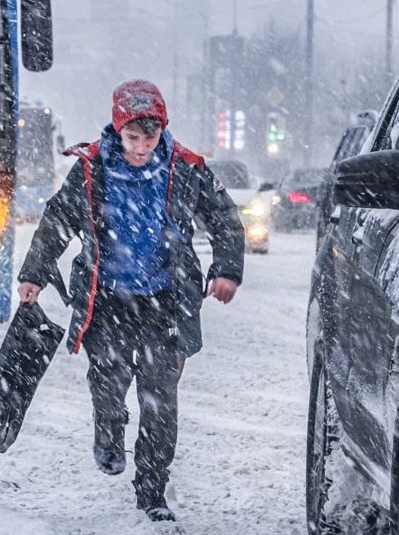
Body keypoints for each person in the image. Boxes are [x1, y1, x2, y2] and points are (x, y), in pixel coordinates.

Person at [16, 79, 244, 524]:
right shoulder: (90, 170)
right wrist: (34, 276)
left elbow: (225, 217)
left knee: (160, 400)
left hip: (165, 302)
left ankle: (152, 491)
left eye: (150, 137)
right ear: (117, 130)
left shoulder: (186, 168)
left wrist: (226, 270)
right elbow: (56, 223)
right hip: (108, 303)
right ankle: (108, 427)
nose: (141, 148)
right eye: (132, 137)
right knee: (108, 382)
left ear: (162, 131)